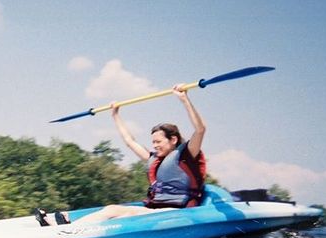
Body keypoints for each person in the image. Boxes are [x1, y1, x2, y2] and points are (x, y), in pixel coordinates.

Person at [35, 85, 206, 226]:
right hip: (155, 209)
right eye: (153, 142)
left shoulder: (187, 155)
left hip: (178, 212)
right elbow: (129, 141)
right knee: (112, 209)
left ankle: (71, 230)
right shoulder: (155, 159)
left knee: (124, 215)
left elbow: (200, 129)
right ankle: (68, 227)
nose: (154, 146)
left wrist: (184, 100)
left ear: (173, 139)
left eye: (158, 142)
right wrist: (115, 115)